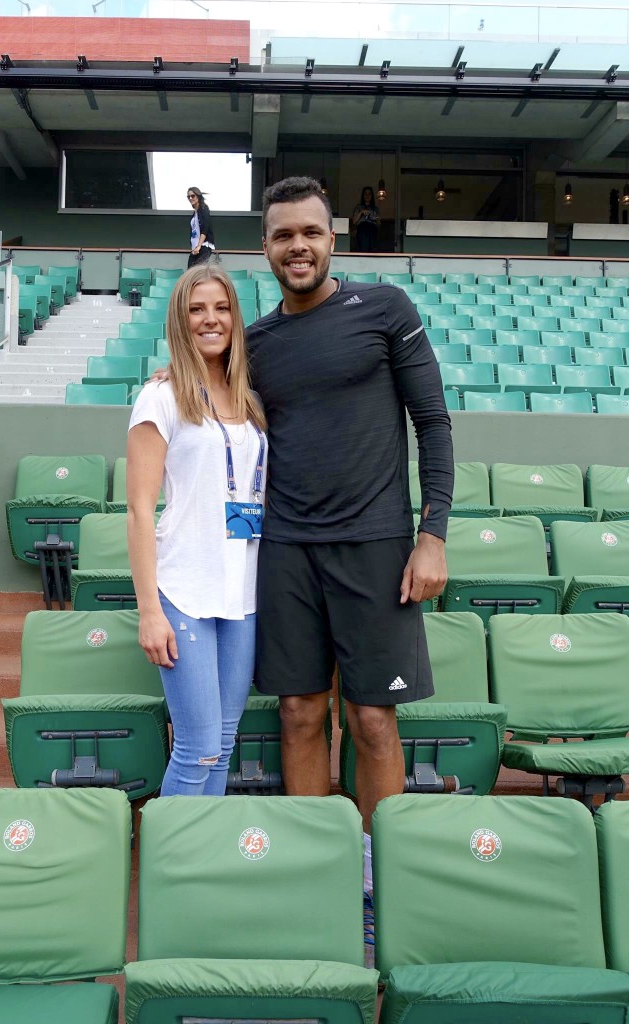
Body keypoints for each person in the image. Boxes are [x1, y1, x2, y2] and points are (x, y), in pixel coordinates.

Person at [247, 176, 453, 897]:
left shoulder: (385, 310)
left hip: (376, 546)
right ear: (265, 248)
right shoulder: (256, 342)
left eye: (309, 232)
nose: (297, 246)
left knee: (371, 719)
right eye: (283, 235)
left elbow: (433, 422)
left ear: (332, 238)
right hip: (287, 549)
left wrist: (433, 535)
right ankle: (315, 876)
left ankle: (384, 877)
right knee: (300, 711)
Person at [126, 264, 267, 796]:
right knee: (198, 747)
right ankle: (173, 871)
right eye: (196, 309)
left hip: (242, 594)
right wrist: (149, 612)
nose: (211, 319)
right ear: (179, 322)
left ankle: (199, 864)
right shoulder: (159, 397)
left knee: (224, 744)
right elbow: (139, 510)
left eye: (222, 307)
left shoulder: (251, 401)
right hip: (184, 589)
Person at [186, 187, 216, 268]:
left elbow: (205, 229)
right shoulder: (194, 213)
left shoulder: (204, 209)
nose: (190, 198)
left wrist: (199, 245)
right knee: (190, 272)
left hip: (203, 246)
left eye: (193, 196)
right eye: (188, 197)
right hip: (195, 248)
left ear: (198, 196)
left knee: (199, 272)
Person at [351, 185, 381, 252]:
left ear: (372, 195)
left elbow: (379, 225)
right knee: (363, 248)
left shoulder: (375, 209)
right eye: (365, 194)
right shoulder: (358, 207)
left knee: (372, 249)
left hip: (372, 230)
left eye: (369, 194)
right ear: (363, 195)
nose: (367, 196)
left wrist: (376, 219)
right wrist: (361, 212)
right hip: (362, 230)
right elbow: (354, 221)